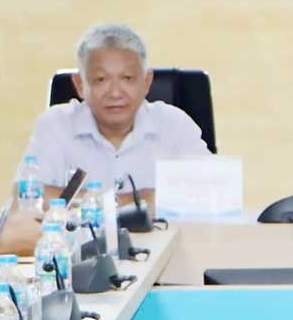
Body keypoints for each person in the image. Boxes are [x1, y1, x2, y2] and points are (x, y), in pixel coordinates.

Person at [18, 22, 208, 207]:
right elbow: (27, 197)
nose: (115, 93)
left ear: (147, 82)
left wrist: (83, 201)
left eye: (127, 78)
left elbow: (209, 192)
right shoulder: (55, 125)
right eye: (101, 79)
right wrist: (132, 201)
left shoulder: (175, 125)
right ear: (80, 85)